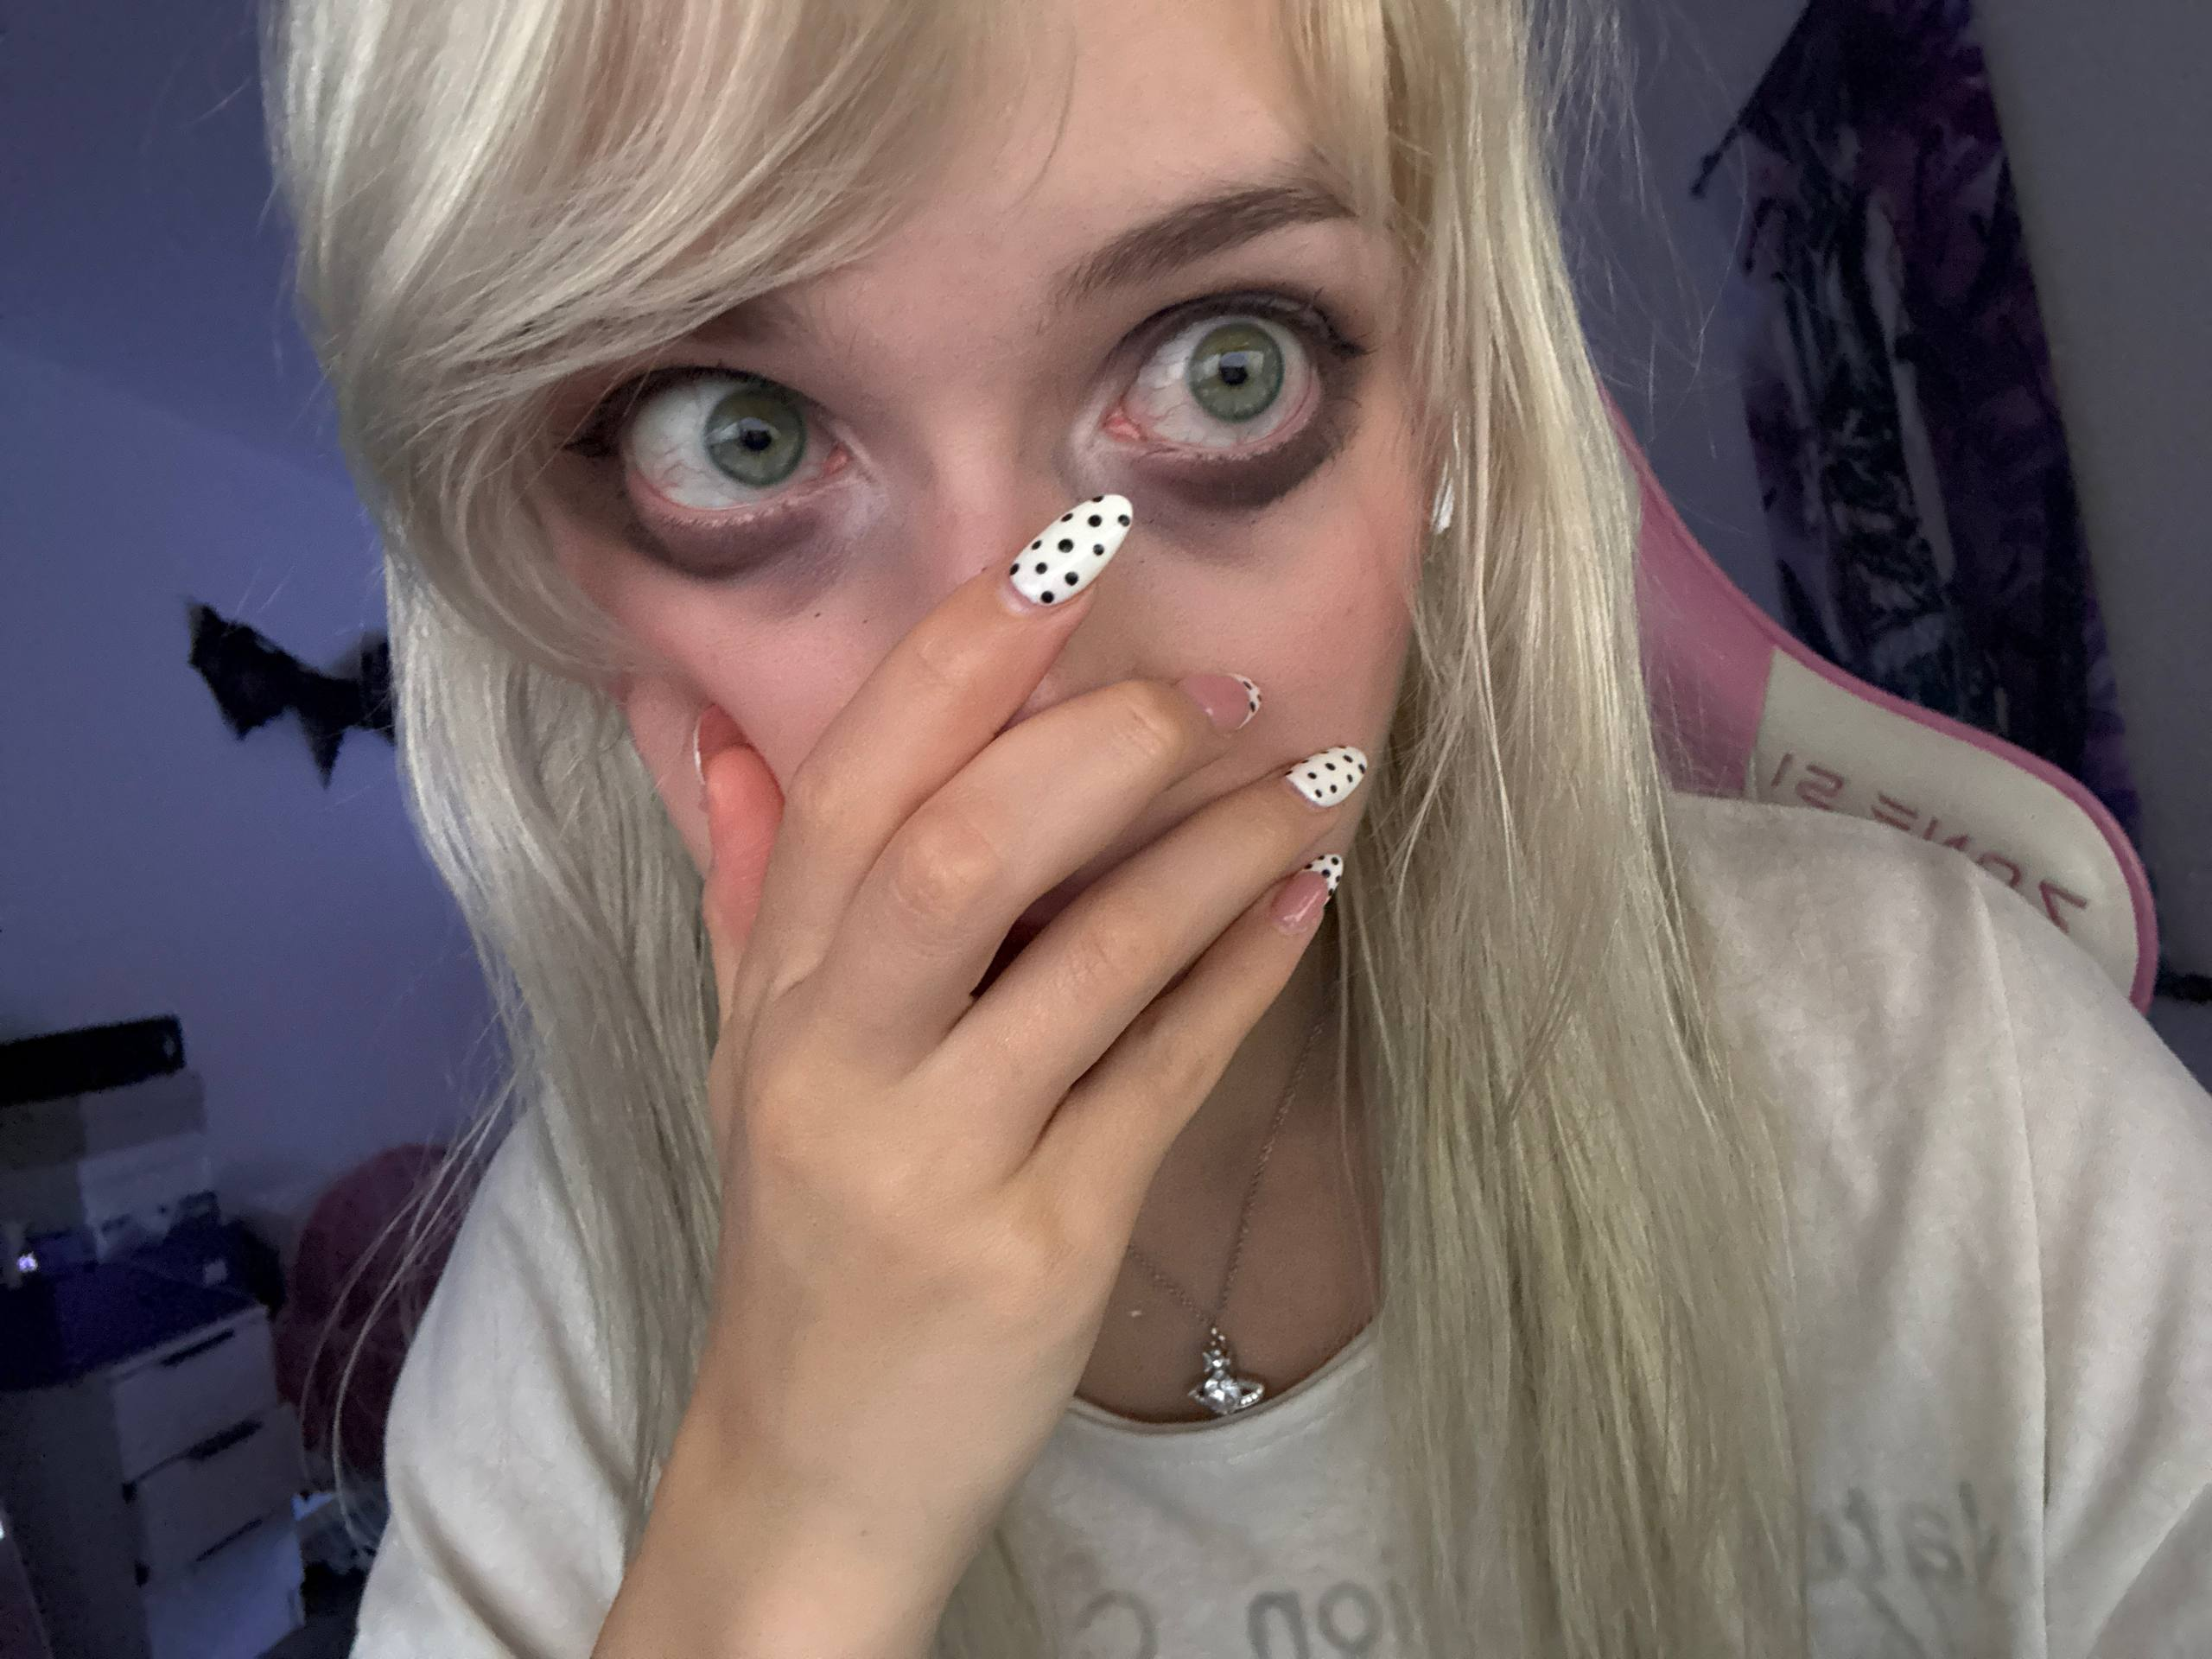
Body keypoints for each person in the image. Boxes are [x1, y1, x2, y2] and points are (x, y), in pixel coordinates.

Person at [259, 0, 2212, 1652]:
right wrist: (787, 1515)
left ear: (1445, 409)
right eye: (736, 435)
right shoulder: (571, 1340)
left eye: (1226, 366)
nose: (1026, 692)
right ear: (556, 572)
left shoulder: (1960, 1090)